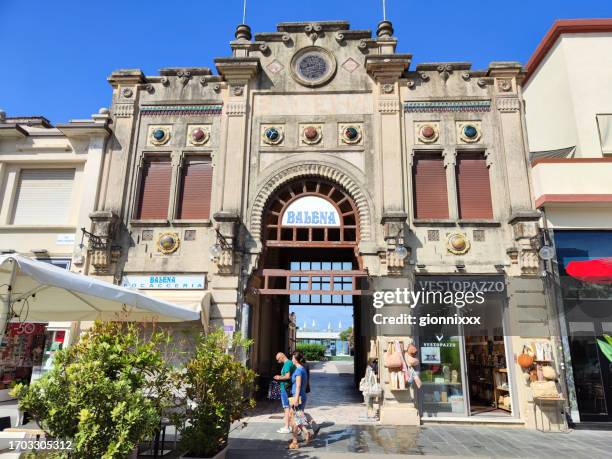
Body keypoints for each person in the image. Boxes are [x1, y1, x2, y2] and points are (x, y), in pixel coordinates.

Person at [287, 351, 319, 449]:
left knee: (294, 421)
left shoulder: (298, 371)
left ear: (295, 359)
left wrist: (296, 399)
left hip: (298, 397)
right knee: (296, 417)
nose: (291, 359)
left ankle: (295, 442)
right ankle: (306, 433)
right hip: (299, 396)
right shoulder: (302, 369)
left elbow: (298, 385)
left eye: (292, 358)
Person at [273, 352, 295, 434]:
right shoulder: (288, 363)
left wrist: (279, 377)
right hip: (287, 388)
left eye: (278, 360)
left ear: (282, 357)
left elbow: (287, 376)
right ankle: (290, 426)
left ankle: (287, 427)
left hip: (286, 388)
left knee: (286, 408)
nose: (278, 361)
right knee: (289, 408)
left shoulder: (287, 364)